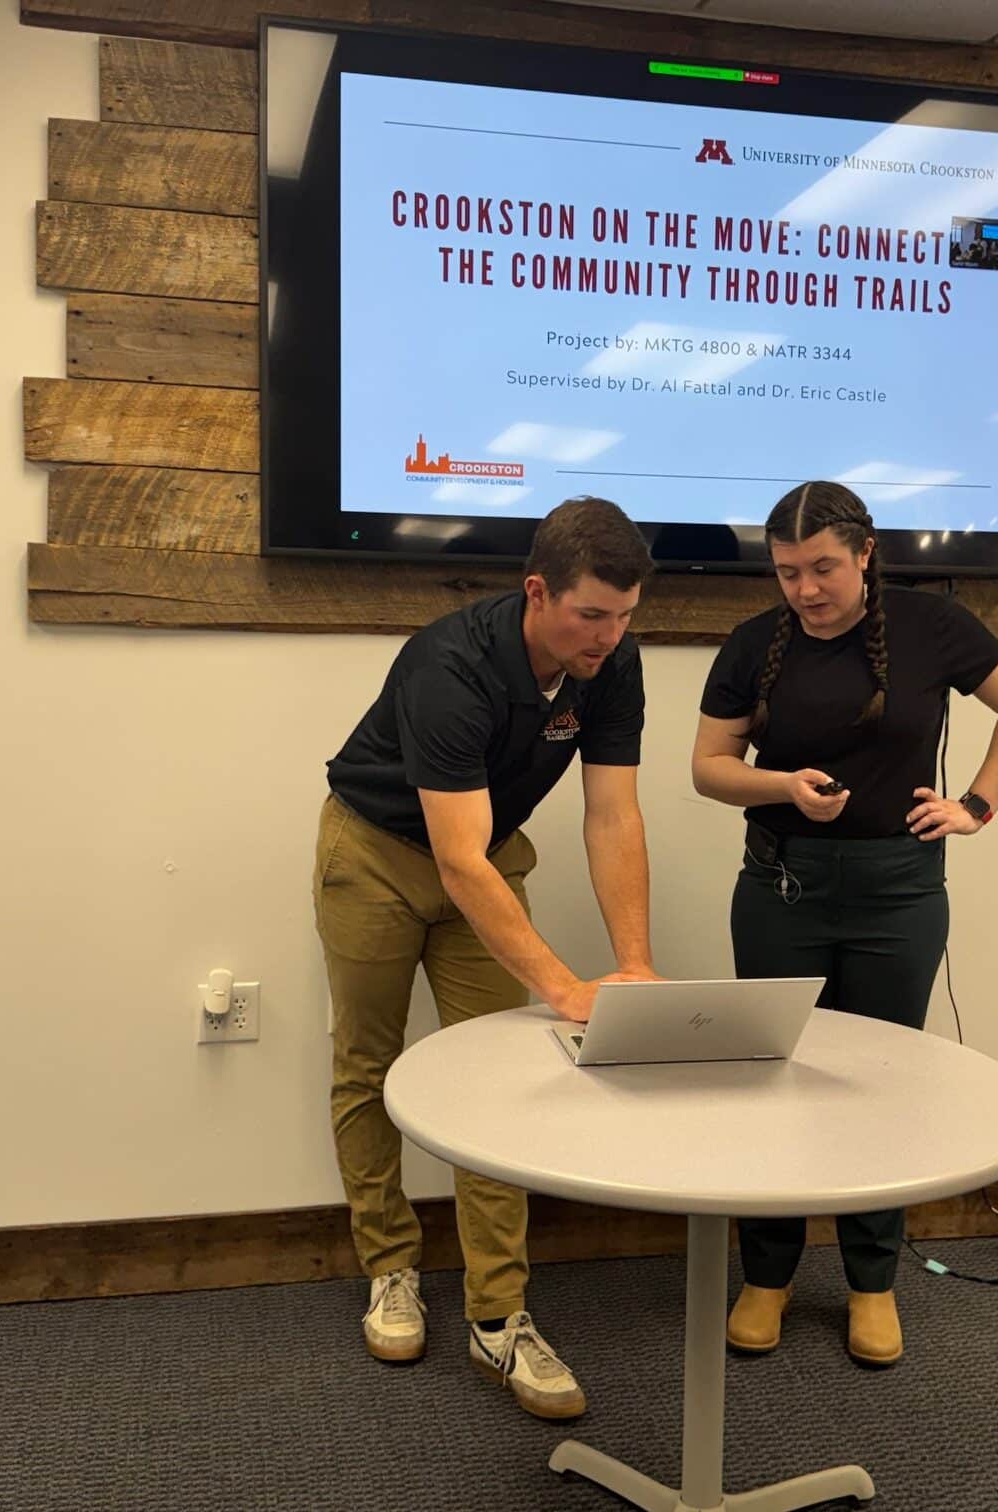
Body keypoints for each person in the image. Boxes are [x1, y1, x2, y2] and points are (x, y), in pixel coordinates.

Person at [690, 481, 998, 1367]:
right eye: (787, 572)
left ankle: (871, 1283)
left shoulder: (933, 626)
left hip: (899, 892)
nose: (806, 589)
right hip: (782, 886)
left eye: (822, 568)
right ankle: (766, 1276)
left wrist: (977, 805)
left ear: (864, 554)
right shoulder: (753, 644)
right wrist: (783, 787)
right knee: (772, 1077)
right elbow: (708, 767)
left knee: (883, 1084)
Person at [315, 496, 661, 1419]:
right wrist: (564, 987)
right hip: (376, 854)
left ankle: (499, 1317)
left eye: (625, 615)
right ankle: (390, 1269)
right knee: (369, 1064)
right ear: (537, 592)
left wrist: (633, 967)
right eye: (591, 615)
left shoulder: (612, 662)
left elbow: (612, 814)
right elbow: (455, 857)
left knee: (497, 1085)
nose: (609, 636)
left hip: (486, 853)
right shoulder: (450, 664)